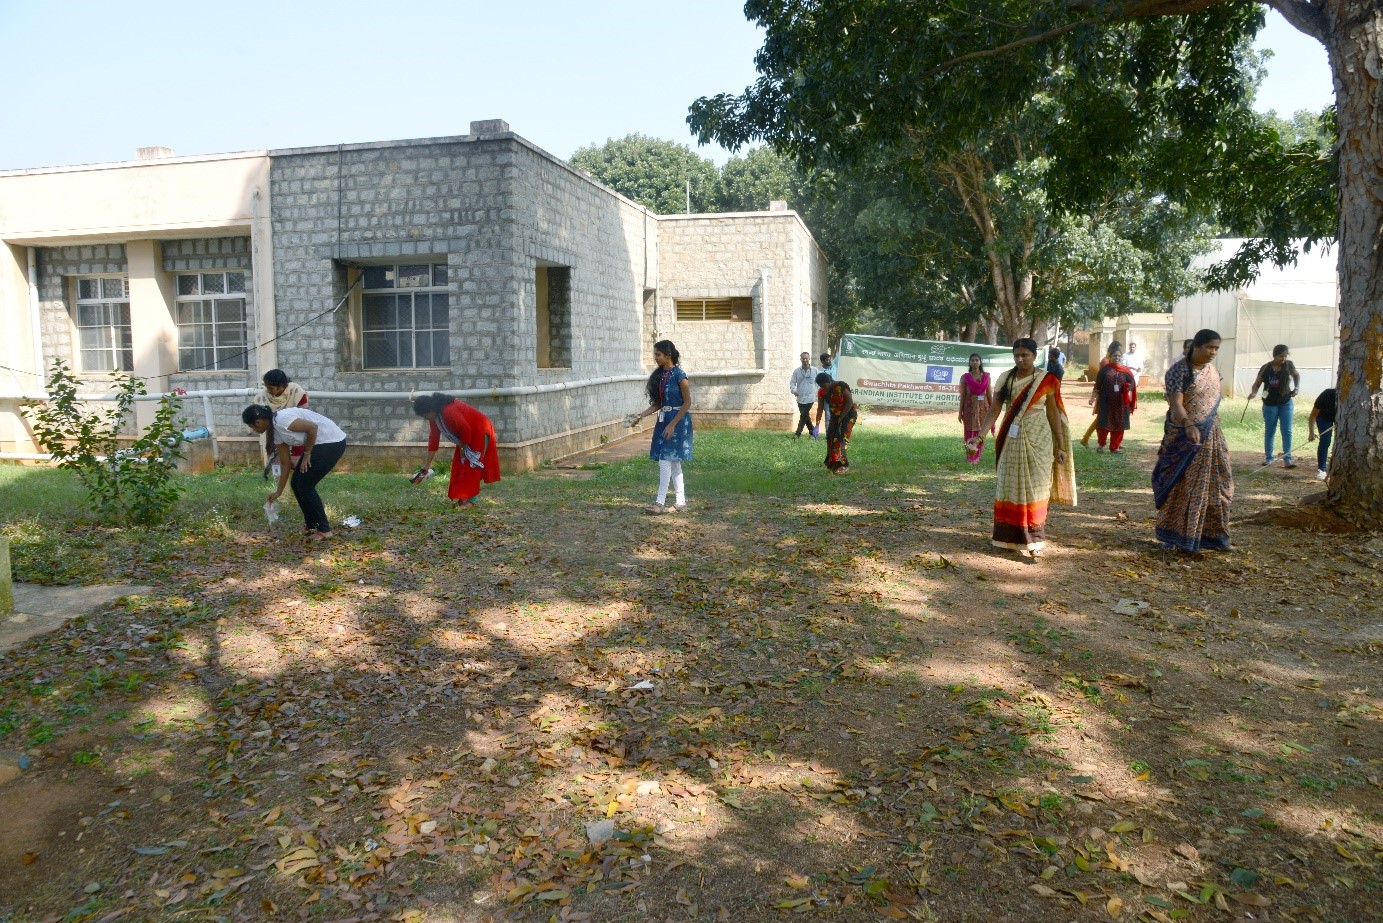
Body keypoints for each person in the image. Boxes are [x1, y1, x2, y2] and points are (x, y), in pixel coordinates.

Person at [977, 339, 1076, 557]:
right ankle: (1007, 537)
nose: (1021, 359)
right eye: (1017, 355)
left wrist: (1059, 444)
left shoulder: (1046, 379)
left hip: (1039, 436)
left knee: (1038, 485)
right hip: (1011, 436)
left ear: (1034, 356)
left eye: (1025, 355)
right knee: (1009, 481)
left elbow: (1053, 413)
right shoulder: (1006, 378)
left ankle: (1035, 538)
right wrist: (981, 435)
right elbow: (994, 408)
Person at [1151, 330, 1233, 554]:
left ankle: (1214, 536)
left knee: (1219, 484)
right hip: (1185, 437)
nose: (1213, 352)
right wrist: (1188, 425)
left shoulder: (1213, 371)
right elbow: (1176, 404)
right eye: (1209, 347)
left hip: (1211, 435)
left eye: (1216, 348)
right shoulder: (1179, 371)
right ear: (1195, 346)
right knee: (1184, 486)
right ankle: (1177, 536)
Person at [242, 404, 348, 540]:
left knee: (305, 486)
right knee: (296, 483)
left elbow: (312, 428)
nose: (253, 430)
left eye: (252, 427)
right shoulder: (275, 432)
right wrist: (278, 492)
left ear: (258, 422)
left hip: (331, 442)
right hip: (319, 445)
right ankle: (311, 525)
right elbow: (285, 463)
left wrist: (307, 454)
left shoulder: (282, 420)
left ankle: (324, 530)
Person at [628, 340, 692, 513]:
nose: (655, 358)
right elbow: (659, 403)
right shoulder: (661, 376)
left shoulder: (680, 375)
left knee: (665, 460)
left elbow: (687, 403)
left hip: (678, 421)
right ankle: (681, 502)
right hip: (664, 420)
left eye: (658, 355)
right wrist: (640, 416)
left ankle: (659, 503)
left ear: (668, 355)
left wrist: (672, 424)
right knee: (674, 462)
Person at [413, 393, 501, 506]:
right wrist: (427, 464)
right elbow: (433, 439)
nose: (425, 419)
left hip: (479, 431)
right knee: (459, 465)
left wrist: (463, 449)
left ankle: (470, 501)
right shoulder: (434, 417)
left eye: (425, 416)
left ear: (430, 410)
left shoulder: (449, 411)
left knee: (471, 466)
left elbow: (466, 429)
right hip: (465, 437)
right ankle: (463, 498)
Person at [1247, 344, 1300, 468]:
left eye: (1285, 356)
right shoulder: (1266, 368)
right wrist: (1254, 393)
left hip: (1286, 402)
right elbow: (1257, 383)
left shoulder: (1289, 365)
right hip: (1270, 404)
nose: (1283, 359)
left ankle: (1288, 459)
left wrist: (1296, 388)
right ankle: (1269, 458)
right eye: (1281, 356)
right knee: (1270, 431)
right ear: (1275, 355)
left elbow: (1296, 375)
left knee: (1286, 431)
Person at [255, 369, 309, 476]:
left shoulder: (296, 393)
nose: (268, 391)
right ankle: (282, 492)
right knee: (279, 467)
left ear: (280, 386)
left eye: (271, 388)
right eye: (266, 387)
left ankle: (297, 490)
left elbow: (304, 417)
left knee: (296, 467)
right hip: (275, 436)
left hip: (295, 436)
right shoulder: (263, 396)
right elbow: (265, 421)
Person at [1090, 341, 1138, 453]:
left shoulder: (1125, 371)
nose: (1117, 358)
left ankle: (1114, 447)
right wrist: (1092, 398)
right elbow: (1097, 385)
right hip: (1106, 401)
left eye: (1119, 356)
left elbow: (1132, 383)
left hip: (1121, 403)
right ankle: (1101, 445)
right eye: (1114, 356)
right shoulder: (1104, 370)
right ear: (1110, 357)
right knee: (1102, 424)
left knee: (1119, 425)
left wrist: (1128, 387)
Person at [958, 353, 993, 464]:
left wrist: (992, 409)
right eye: (972, 360)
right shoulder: (965, 378)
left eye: (977, 360)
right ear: (969, 362)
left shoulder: (986, 377)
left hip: (983, 408)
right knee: (969, 431)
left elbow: (989, 394)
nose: (974, 362)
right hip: (969, 408)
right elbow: (962, 395)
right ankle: (970, 455)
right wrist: (960, 412)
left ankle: (977, 456)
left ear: (980, 362)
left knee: (981, 431)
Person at [822, 380, 858, 473]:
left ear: (829, 381)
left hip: (848, 415)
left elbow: (849, 402)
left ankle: (843, 464)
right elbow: (820, 407)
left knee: (840, 438)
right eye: (821, 386)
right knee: (830, 437)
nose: (823, 387)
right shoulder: (824, 391)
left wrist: (841, 417)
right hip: (835, 417)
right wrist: (817, 424)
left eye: (824, 384)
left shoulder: (841, 386)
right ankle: (834, 463)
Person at [789, 351, 821, 438]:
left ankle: (797, 434)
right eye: (803, 358)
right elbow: (792, 383)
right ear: (801, 359)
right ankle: (813, 433)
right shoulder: (797, 371)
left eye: (806, 358)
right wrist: (793, 390)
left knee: (803, 415)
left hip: (810, 397)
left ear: (809, 359)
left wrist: (818, 390)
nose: (805, 360)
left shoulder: (815, 371)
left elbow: (820, 381)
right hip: (800, 397)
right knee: (805, 416)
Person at [1308, 387, 1337, 481]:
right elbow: (1313, 415)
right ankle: (1322, 469)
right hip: (1324, 418)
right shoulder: (1326, 395)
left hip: (1340, 417)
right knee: (1326, 440)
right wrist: (1311, 433)